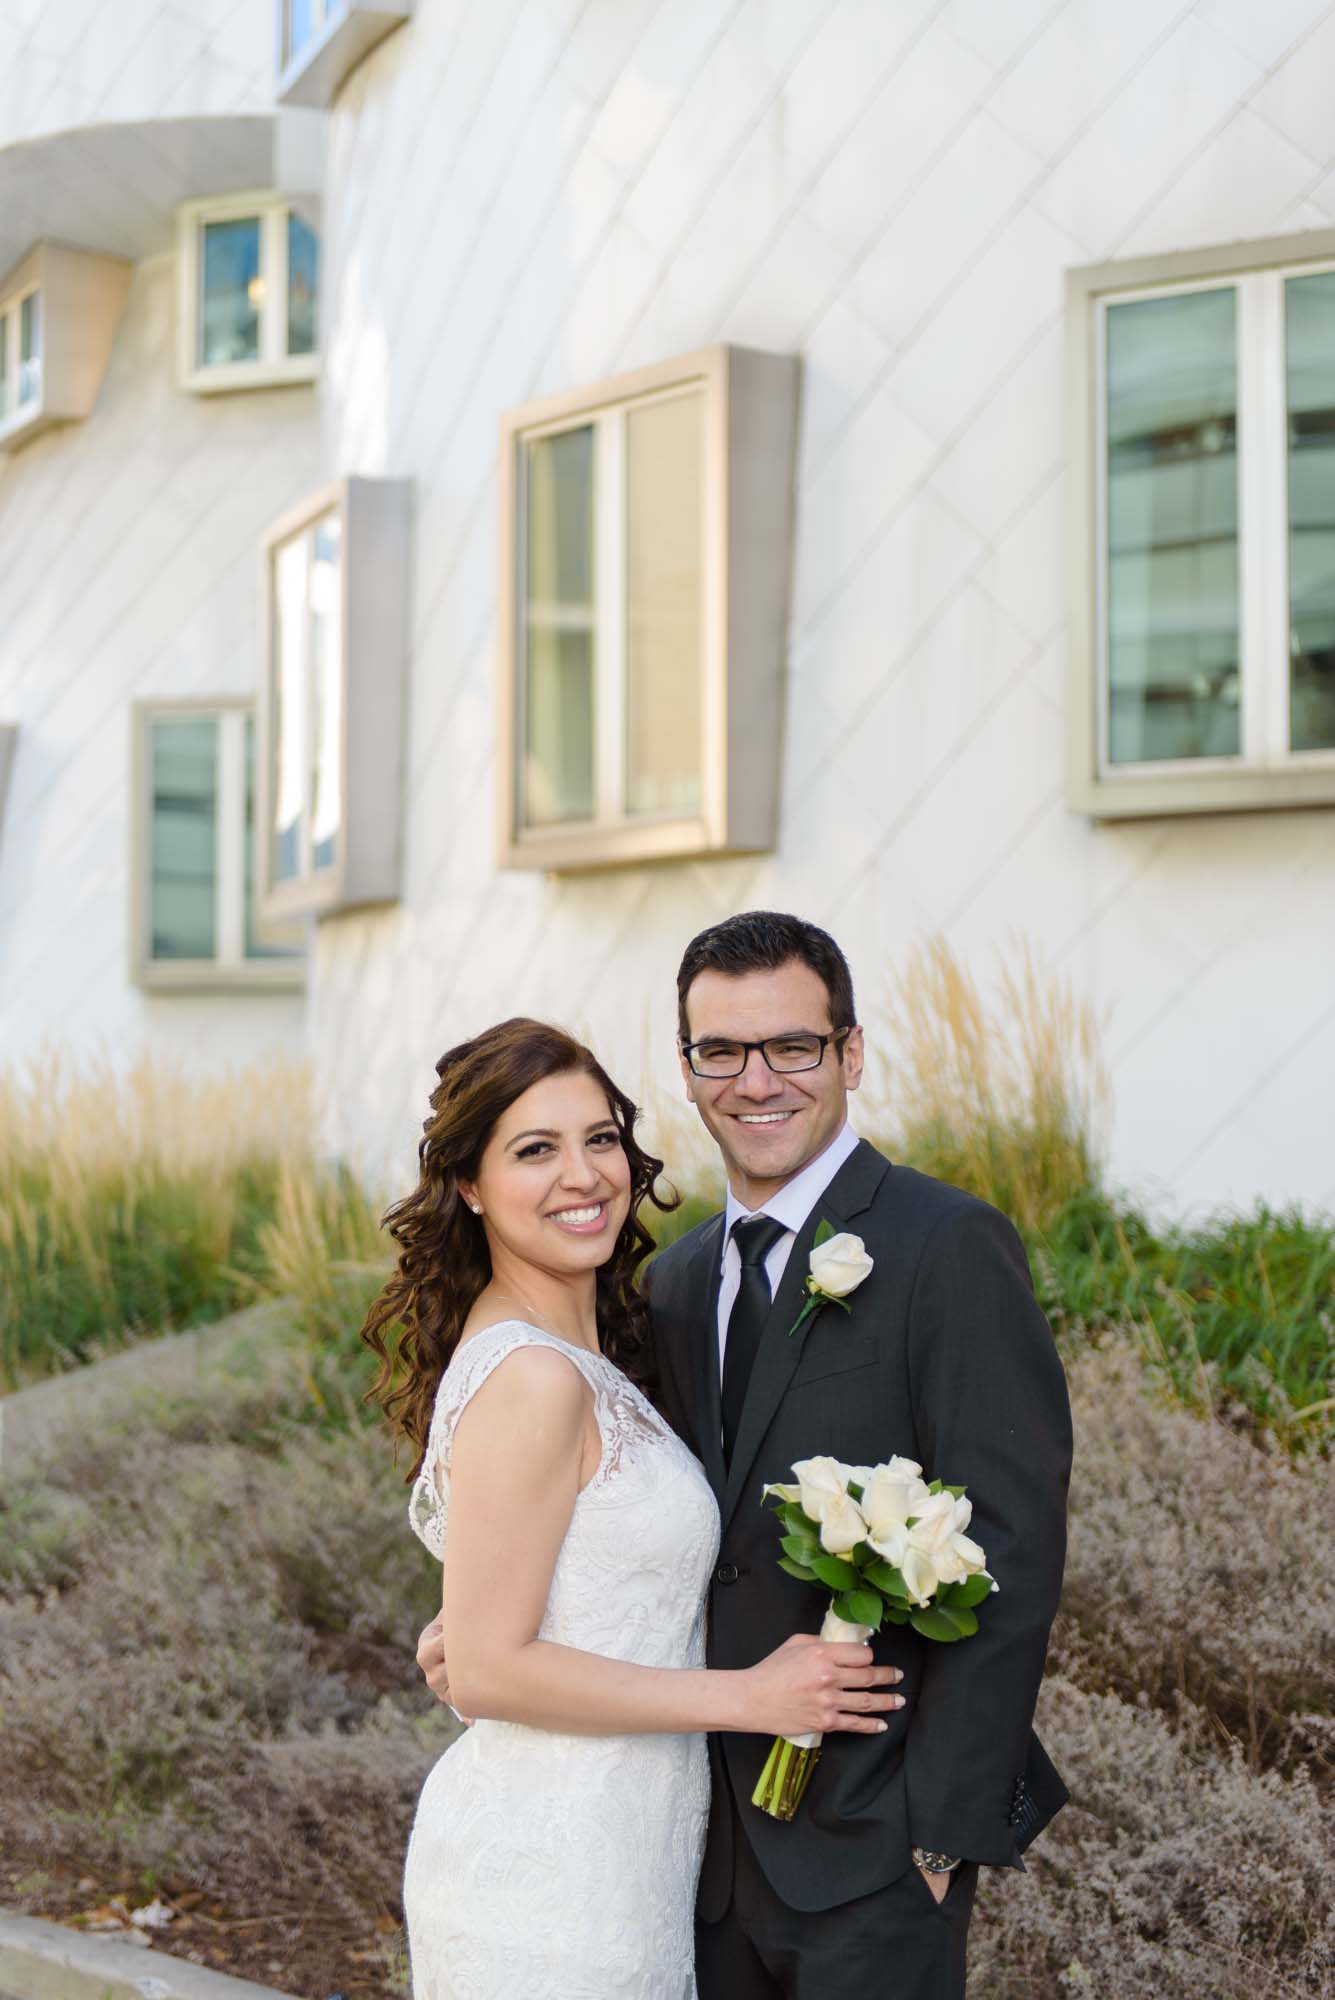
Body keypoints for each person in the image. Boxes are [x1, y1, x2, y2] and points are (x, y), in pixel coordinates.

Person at [418, 914, 1073, 2000]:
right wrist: (484, 1627)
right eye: (720, 1050)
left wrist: (940, 1841)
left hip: (874, 1854)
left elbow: (1012, 1544)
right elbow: (615, 1516)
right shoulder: (667, 1287)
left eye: (793, 1046)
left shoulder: (943, 1245)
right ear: (687, 1068)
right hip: (685, 1859)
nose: (755, 1079)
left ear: (849, 1054)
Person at [363, 1016, 906, 2000]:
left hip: (627, 1859)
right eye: (536, 1148)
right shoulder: (533, 1374)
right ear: (471, 1185)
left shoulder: (586, 1349)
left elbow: (531, 1606)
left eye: (600, 1137)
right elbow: (487, 1667)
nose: (583, 1174)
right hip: (548, 1878)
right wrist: (752, 1695)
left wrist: (481, 1626)